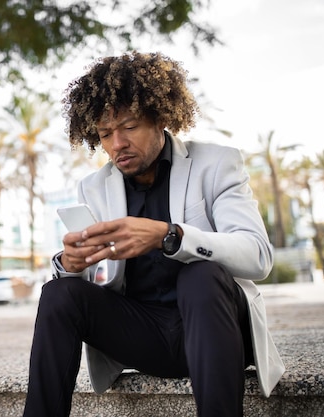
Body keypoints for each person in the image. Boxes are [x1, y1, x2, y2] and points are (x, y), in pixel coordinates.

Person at [22, 51, 285, 417]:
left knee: (201, 275)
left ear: (160, 117)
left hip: (216, 331)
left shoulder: (216, 164)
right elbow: (86, 273)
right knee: (58, 293)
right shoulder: (94, 188)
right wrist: (71, 262)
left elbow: (258, 256)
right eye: (105, 134)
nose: (116, 145)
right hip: (144, 335)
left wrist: (169, 235)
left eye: (128, 127)